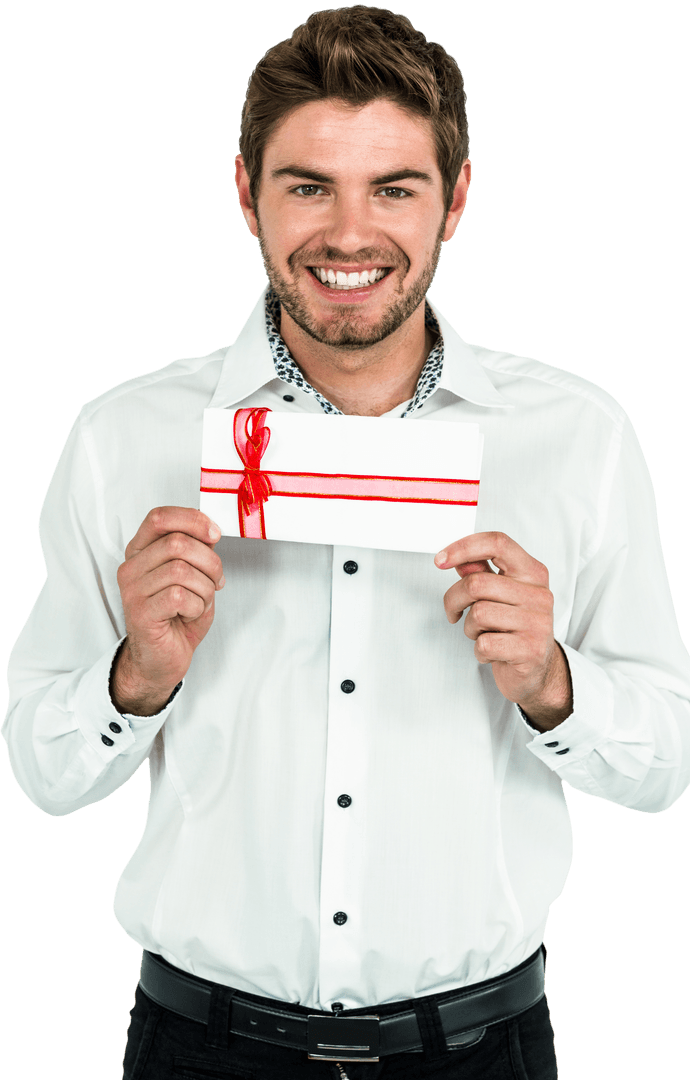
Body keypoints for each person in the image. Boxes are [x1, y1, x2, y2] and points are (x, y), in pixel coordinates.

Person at [3, 5, 690, 1078]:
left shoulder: (576, 436)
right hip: (201, 1047)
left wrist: (554, 683)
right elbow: (46, 772)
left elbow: (666, 763)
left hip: (479, 1049)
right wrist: (136, 677)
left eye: (396, 189)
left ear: (455, 201)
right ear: (246, 193)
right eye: (309, 185)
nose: (349, 234)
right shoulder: (126, 436)